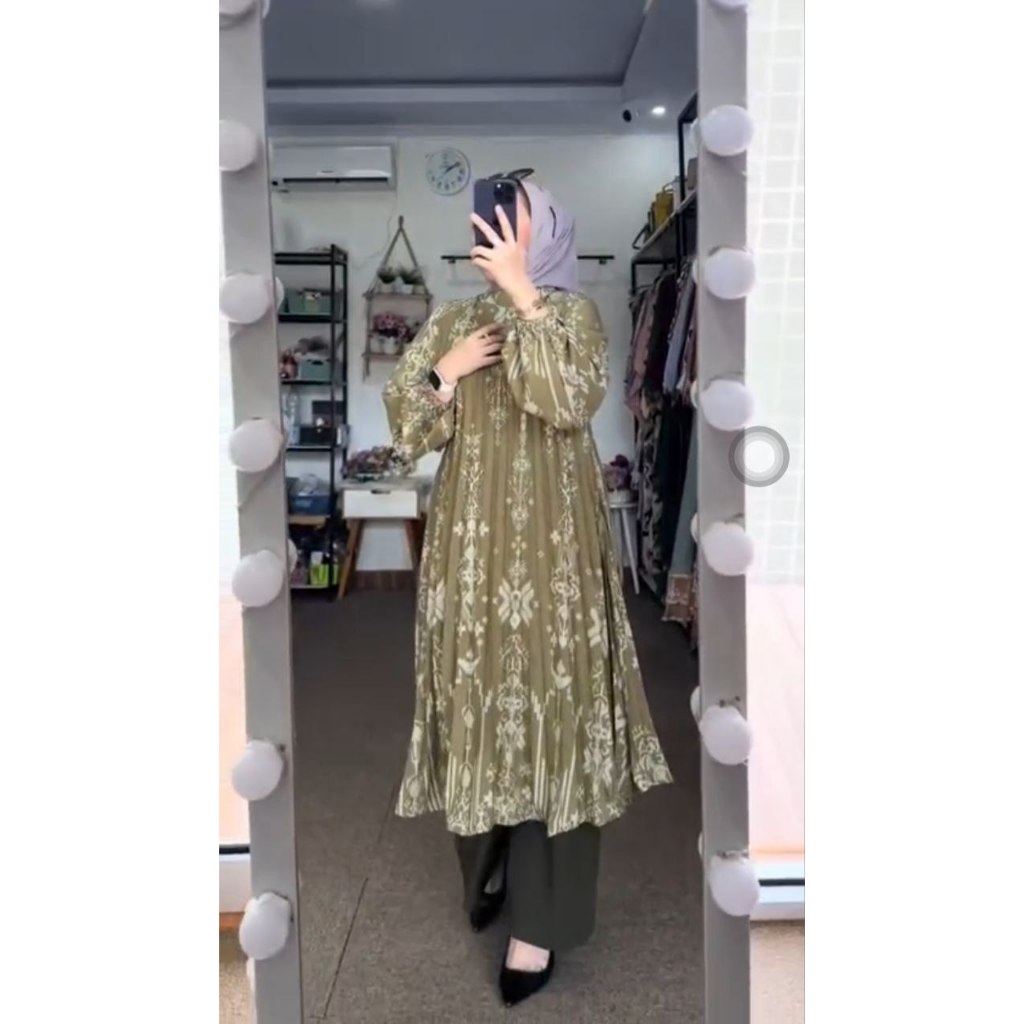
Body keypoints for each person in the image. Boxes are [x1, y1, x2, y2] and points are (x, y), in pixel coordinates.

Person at [384, 176, 672, 1008]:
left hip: (556, 558)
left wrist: (523, 298)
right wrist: (443, 372)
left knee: (553, 718)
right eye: (490, 227)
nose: (499, 241)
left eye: (516, 227)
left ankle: (538, 923)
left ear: (546, 233)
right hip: (471, 558)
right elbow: (408, 430)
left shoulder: (573, 316)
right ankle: (488, 870)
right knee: (476, 709)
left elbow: (568, 401)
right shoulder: (451, 321)